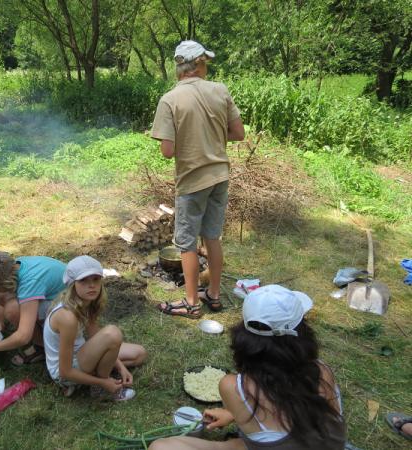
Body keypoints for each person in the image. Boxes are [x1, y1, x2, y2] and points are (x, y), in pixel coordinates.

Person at [149, 285, 347, 450]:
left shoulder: (234, 387)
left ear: (245, 336)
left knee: (160, 447)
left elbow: (270, 408)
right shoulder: (323, 371)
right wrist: (231, 414)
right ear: (302, 332)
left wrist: (235, 412)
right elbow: (288, 408)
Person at [151, 40, 245, 319]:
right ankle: (213, 295)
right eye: (206, 63)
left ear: (179, 68)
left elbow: (167, 151)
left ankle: (192, 303)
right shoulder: (220, 90)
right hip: (220, 176)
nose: (207, 68)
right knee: (212, 236)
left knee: (186, 242)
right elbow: (238, 133)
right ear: (199, 64)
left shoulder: (170, 99)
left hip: (192, 181)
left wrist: (189, 139)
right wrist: (211, 137)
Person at [43, 256, 147, 400]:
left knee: (139, 354)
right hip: (63, 373)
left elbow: (94, 336)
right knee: (112, 333)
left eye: (96, 279)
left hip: (81, 353)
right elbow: (65, 371)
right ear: (73, 284)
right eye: (83, 280)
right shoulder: (67, 317)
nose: (91, 285)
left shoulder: (87, 302)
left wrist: (121, 367)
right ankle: (99, 389)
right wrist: (103, 382)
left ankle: (93, 375)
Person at [0, 251, 67, 365]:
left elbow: (23, 336)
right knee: (4, 296)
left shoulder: (29, 284)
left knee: (12, 310)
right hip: (60, 294)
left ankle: (44, 348)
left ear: (3, 283)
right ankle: (43, 335)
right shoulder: (13, 267)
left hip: (71, 306)